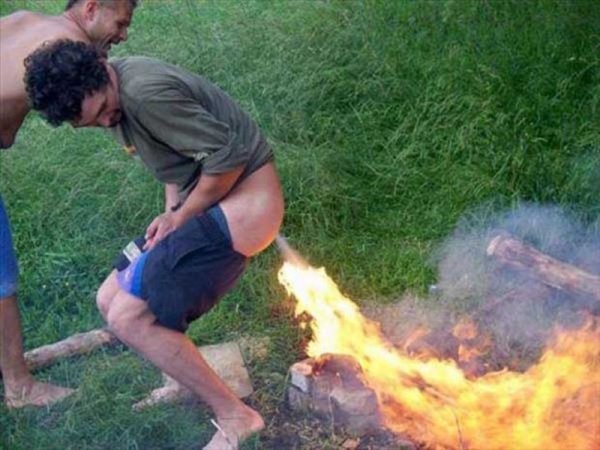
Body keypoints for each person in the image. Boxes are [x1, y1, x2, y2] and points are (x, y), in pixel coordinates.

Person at [25, 40, 284, 450]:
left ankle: (238, 417)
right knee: (109, 298)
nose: (104, 121)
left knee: (131, 318)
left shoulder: (145, 95)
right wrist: (172, 215)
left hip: (247, 207)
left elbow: (228, 158)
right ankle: (182, 379)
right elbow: (174, 163)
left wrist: (181, 218)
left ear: (100, 71)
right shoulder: (115, 96)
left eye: (101, 110)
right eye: (91, 123)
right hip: (209, 202)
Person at [0, 0, 136, 408]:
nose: (123, 35)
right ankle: (19, 387)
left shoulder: (25, 20)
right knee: (0, 278)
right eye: (120, 22)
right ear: (91, 8)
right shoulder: (73, 49)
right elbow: (105, 106)